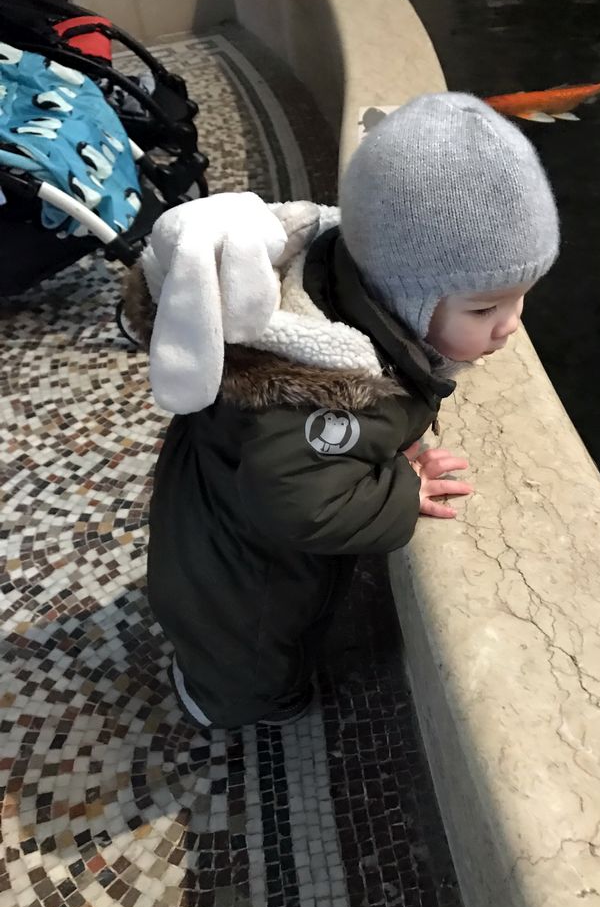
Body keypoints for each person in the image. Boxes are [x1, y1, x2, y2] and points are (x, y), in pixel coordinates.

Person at [123, 91, 559, 728]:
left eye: (520, 300)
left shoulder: (343, 280)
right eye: (485, 309)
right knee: (256, 672)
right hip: (242, 589)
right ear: (407, 297)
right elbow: (297, 502)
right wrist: (402, 493)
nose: (510, 327)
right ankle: (219, 701)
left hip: (212, 520)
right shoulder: (325, 397)